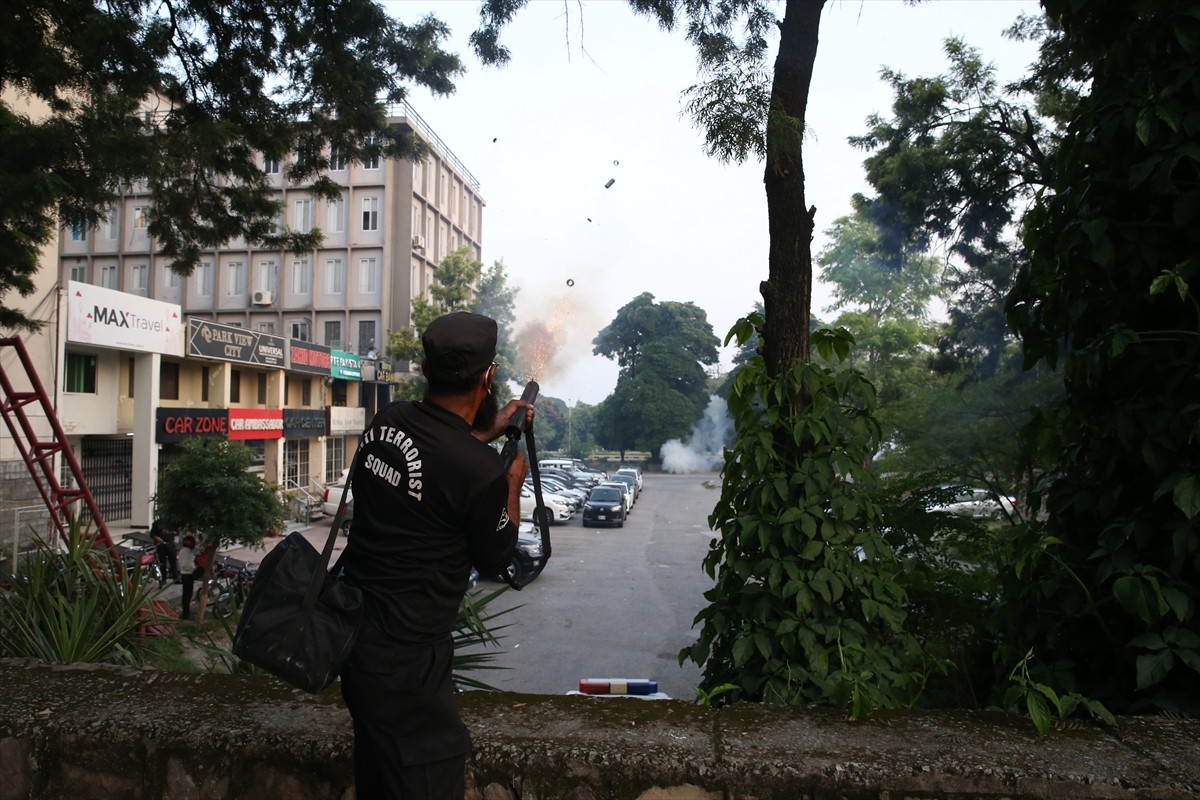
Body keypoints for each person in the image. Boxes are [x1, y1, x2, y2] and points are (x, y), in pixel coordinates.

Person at [339, 311, 531, 800]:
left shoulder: (388, 421)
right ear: (488, 376)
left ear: (426, 371)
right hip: (408, 664)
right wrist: (511, 482)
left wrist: (493, 432)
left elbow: (435, 456)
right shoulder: (480, 472)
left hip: (356, 642)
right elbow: (497, 555)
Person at [177, 534, 201, 620]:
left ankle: (186, 612)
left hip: (187, 574)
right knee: (187, 595)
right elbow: (185, 565)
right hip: (187, 574)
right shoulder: (186, 552)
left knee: (187, 595)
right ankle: (185, 614)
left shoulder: (185, 551)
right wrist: (194, 568)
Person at [150, 518, 180, 582]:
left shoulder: (171, 523)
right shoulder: (157, 523)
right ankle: (163, 579)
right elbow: (152, 534)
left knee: (173, 561)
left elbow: (177, 532)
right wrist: (157, 538)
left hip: (170, 543)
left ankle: (176, 578)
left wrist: (169, 532)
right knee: (162, 562)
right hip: (161, 545)